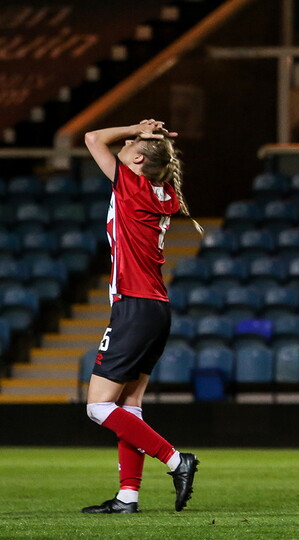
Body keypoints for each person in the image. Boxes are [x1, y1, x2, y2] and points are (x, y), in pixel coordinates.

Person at [81, 119, 202, 514]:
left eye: (131, 143)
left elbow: (93, 138)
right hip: (155, 309)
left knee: (99, 406)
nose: (127, 143)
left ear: (135, 159)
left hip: (134, 307)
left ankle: (174, 459)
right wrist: (153, 138)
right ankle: (127, 496)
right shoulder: (163, 192)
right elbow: (129, 152)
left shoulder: (132, 185)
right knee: (129, 404)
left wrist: (137, 127)